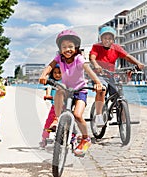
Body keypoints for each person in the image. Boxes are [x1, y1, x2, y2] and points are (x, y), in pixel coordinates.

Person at [39, 29, 103, 157]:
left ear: (76, 47)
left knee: (77, 115)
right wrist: (44, 74)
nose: (67, 49)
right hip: (67, 90)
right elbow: (50, 66)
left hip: (80, 91)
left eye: (70, 47)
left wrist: (97, 82)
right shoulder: (59, 58)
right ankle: (57, 119)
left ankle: (85, 138)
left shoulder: (79, 59)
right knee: (59, 90)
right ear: (60, 49)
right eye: (64, 47)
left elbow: (88, 70)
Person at [89, 26, 145, 127]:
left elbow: (127, 56)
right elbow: (92, 58)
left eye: (110, 38)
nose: (107, 40)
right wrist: (96, 65)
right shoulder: (96, 47)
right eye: (105, 38)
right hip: (99, 75)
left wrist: (138, 63)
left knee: (119, 94)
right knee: (102, 89)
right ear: (101, 38)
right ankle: (98, 115)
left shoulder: (116, 47)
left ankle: (124, 119)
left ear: (113, 39)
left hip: (111, 74)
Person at [40, 64, 62, 148]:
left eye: (59, 72)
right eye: (55, 72)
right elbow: (48, 88)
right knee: (48, 121)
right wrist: (48, 95)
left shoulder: (65, 81)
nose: (57, 74)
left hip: (64, 105)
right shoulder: (52, 82)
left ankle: (72, 136)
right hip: (55, 105)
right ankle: (44, 138)